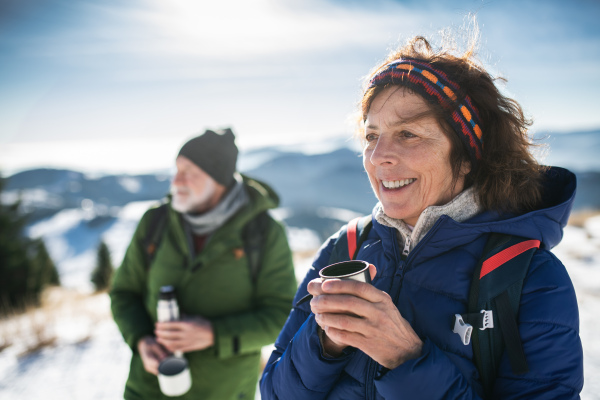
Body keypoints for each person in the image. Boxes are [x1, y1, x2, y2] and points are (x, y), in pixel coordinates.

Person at [260, 35, 584, 399]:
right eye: (371, 135)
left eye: (408, 134)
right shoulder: (344, 249)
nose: (378, 155)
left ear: (465, 158)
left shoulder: (529, 277)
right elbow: (273, 392)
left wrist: (405, 357)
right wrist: (325, 342)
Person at [110, 128, 298, 400]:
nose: (176, 180)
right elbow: (124, 294)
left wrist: (214, 334)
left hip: (225, 390)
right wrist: (141, 340)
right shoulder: (155, 222)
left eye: (189, 172)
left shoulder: (264, 233)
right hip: (148, 389)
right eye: (176, 169)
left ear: (218, 178)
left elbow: (281, 315)